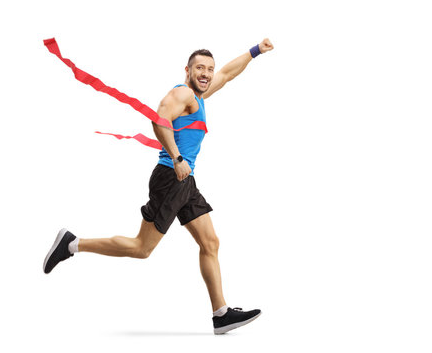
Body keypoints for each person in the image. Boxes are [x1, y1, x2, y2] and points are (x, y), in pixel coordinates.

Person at [43, 38, 274, 334]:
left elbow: (228, 73)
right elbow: (159, 118)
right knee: (141, 248)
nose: (206, 73)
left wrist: (255, 51)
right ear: (187, 70)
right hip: (171, 177)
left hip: (185, 182)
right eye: (200, 68)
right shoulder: (182, 94)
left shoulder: (200, 95)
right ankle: (72, 244)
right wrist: (177, 157)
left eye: (209, 69)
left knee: (210, 243)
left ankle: (221, 314)